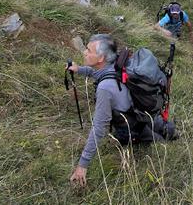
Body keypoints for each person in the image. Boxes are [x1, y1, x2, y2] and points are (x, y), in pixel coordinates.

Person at [69, 34, 171, 187]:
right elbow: (98, 73)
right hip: (139, 110)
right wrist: (79, 69)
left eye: (89, 50)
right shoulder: (117, 62)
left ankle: (161, 141)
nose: (85, 52)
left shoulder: (105, 88)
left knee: (160, 142)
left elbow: (99, 128)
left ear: (101, 58)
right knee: (165, 128)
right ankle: (163, 128)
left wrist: (82, 165)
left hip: (131, 127)